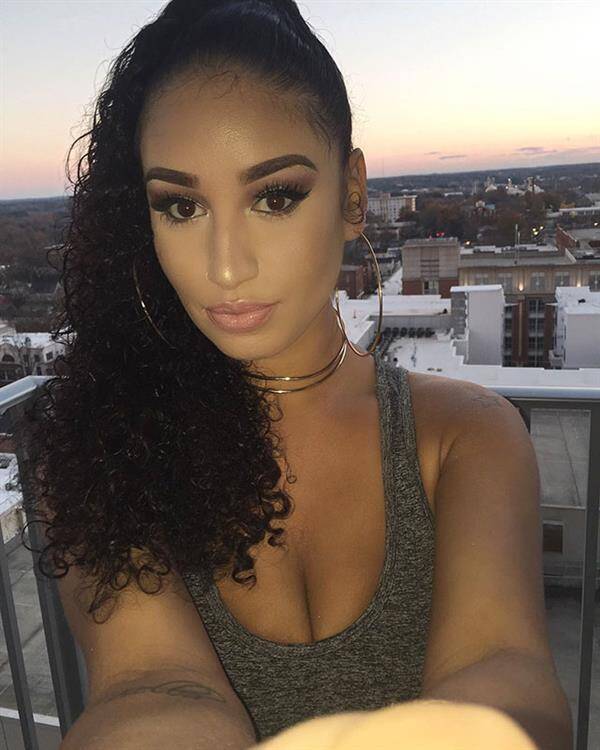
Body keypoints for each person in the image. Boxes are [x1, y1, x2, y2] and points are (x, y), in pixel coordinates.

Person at [17, 1, 569, 749]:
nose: (226, 266)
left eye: (274, 197)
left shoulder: (467, 438)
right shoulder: (102, 451)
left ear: (352, 194)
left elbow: (501, 666)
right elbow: (152, 687)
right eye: (180, 206)